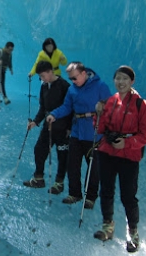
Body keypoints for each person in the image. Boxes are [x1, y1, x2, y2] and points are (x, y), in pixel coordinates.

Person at [92, 65, 146, 253]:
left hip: (128, 155)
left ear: (132, 81)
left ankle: (132, 231)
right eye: (118, 78)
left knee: (128, 196)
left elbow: (145, 135)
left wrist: (126, 143)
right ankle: (107, 226)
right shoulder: (110, 102)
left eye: (125, 79)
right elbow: (99, 129)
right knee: (106, 191)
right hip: (107, 152)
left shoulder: (142, 105)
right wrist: (98, 113)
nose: (121, 82)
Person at [46, 61, 111, 209]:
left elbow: (112, 105)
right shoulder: (72, 90)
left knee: (93, 168)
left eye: (75, 78)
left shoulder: (100, 86)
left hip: (95, 132)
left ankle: (90, 197)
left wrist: (104, 107)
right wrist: (54, 114)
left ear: (84, 73)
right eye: (70, 79)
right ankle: (75, 193)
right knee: (72, 164)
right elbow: (67, 107)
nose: (73, 81)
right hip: (77, 131)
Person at [22, 61, 72, 194]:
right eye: (40, 77)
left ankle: (59, 184)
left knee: (62, 155)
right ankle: (39, 179)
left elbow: (71, 107)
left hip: (62, 127)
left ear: (51, 71)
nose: (42, 79)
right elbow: (43, 107)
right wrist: (35, 122)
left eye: (44, 75)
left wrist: (69, 128)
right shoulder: (44, 86)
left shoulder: (64, 86)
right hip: (48, 126)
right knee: (39, 150)